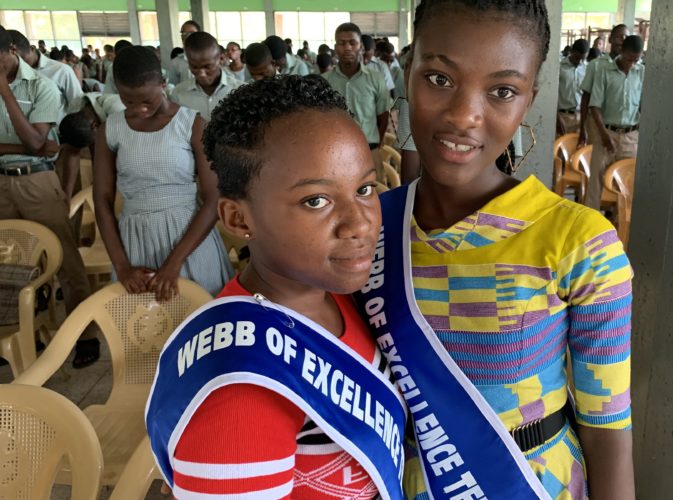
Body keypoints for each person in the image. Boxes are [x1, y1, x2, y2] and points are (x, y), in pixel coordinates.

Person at [354, 1, 635, 499]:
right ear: (407, 72)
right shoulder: (367, 228)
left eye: (502, 91)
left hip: (529, 482)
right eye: (439, 79)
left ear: (528, 101)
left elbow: (607, 430)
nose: (464, 116)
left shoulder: (578, 241)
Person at [146, 75, 405, 499]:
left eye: (364, 189)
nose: (359, 223)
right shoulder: (238, 392)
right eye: (316, 200)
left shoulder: (338, 293)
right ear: (238, 219)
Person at [93, 46, 232, 301]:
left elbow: (214, 198)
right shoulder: (111, 129)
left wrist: (174, 262)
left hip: (190, 240)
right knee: (143, 320)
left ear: (163, 83)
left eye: (147, 100)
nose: (140, 109)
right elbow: (102, 200)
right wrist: (122, 266)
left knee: (200, 315)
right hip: (135, 242)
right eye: (128, 101)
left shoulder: (191, 125)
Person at [0, 25, 100, 368]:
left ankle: (85, 335)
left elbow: (36, 143)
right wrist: (26, 146)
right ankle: (23, 334)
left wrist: (5, 93)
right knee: (9, 263)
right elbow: (35, 143)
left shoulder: (41, 85)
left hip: (38, 180)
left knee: (65, 258)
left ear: (11, 51)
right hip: (2, 182)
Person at [584, 35, 644, 210]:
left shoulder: (642, 72)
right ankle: (592, 220)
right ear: (621, 52)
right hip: (606, 133)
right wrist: (604, 135)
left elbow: (644, 105)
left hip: (631, 137)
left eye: (636, 60)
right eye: (628, 59)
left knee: (627, 184)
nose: (631, 64)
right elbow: (594, 106)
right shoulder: (604, 71)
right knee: (596, 182)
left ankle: (619, 220)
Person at [323, 23, 390, 162]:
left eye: (352, 43)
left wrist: (375, 145)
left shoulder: (376, 79)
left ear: (361, 47)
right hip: (334, 154)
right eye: (342, 43)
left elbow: (383, 116)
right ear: (335, 48)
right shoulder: (325, 81)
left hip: (369, 151)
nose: (347, 48)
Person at [170, 32, 243, 121]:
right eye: (194, 67)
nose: (201, 74)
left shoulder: (240, 92)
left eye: (207, 67)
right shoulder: (178, 94)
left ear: (221, 59)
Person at [9, 31, 82, 118]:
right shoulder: (10, 73)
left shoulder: (61, 70)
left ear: (32, 48)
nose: (22, 65)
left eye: (24, 60)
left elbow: (77, 103)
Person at [577, 24, 628, 148]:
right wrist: (582, 127)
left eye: (626, 37)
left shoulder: (632, 68)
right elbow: (586, 97)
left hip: (622, 131)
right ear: (610, 39)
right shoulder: (595, 65)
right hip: (596, 125)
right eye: (619, 37)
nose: (622, 41)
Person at [556, 38, 589, 135]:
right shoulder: (560, 67)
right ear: (571, 52)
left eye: (583, 59)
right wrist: (557, 117)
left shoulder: (587, 69)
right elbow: (553, 94)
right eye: (577, 58)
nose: (579, 62)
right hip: (563, 117)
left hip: (581, 117)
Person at [169, 20, 200, 86]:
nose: (186, 36)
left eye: (191, 33)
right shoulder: (176, 62)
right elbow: (173, 87)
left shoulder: (208, 58)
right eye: (183, 33)